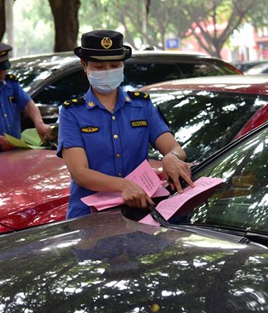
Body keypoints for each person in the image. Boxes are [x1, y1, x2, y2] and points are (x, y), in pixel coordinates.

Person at [57, 30, 194, 219]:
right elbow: (80, 173)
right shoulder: (72, 112)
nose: (107, 71)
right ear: (84, 65)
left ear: (123, 66)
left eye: (114, 65)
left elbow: (174, 148)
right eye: (99, 67)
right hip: (89, 218)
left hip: (138, 213)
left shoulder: (142, 105)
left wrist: (171, 157)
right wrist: (124, 185)